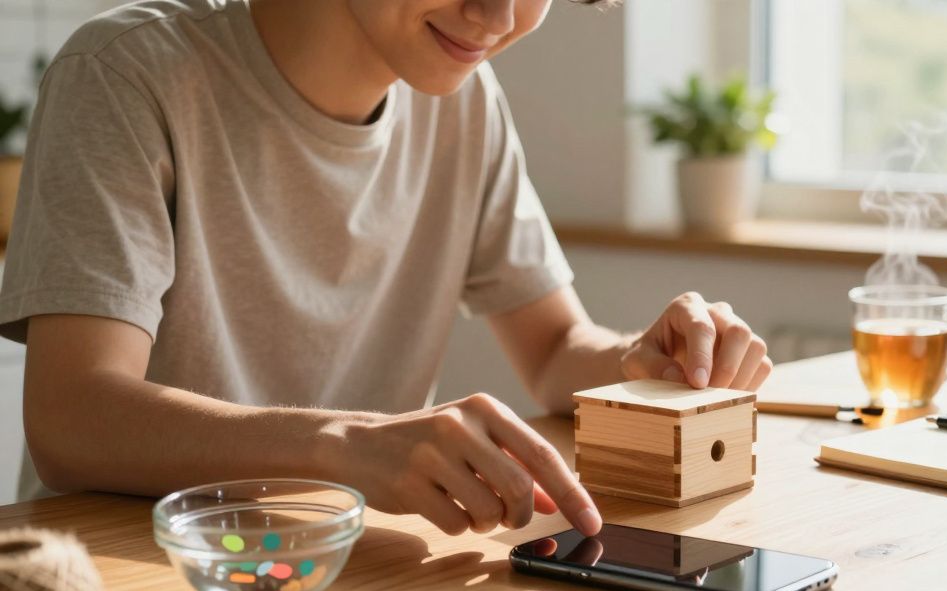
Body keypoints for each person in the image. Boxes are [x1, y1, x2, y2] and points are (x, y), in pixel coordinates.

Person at [0, 0, 772, 537]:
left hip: (357, 573)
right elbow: (73, 419)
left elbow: (552, 352)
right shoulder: (126, 75)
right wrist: (344, 445)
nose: (498, 20)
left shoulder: (465, 105)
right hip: (139, 584)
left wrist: (639, 363)